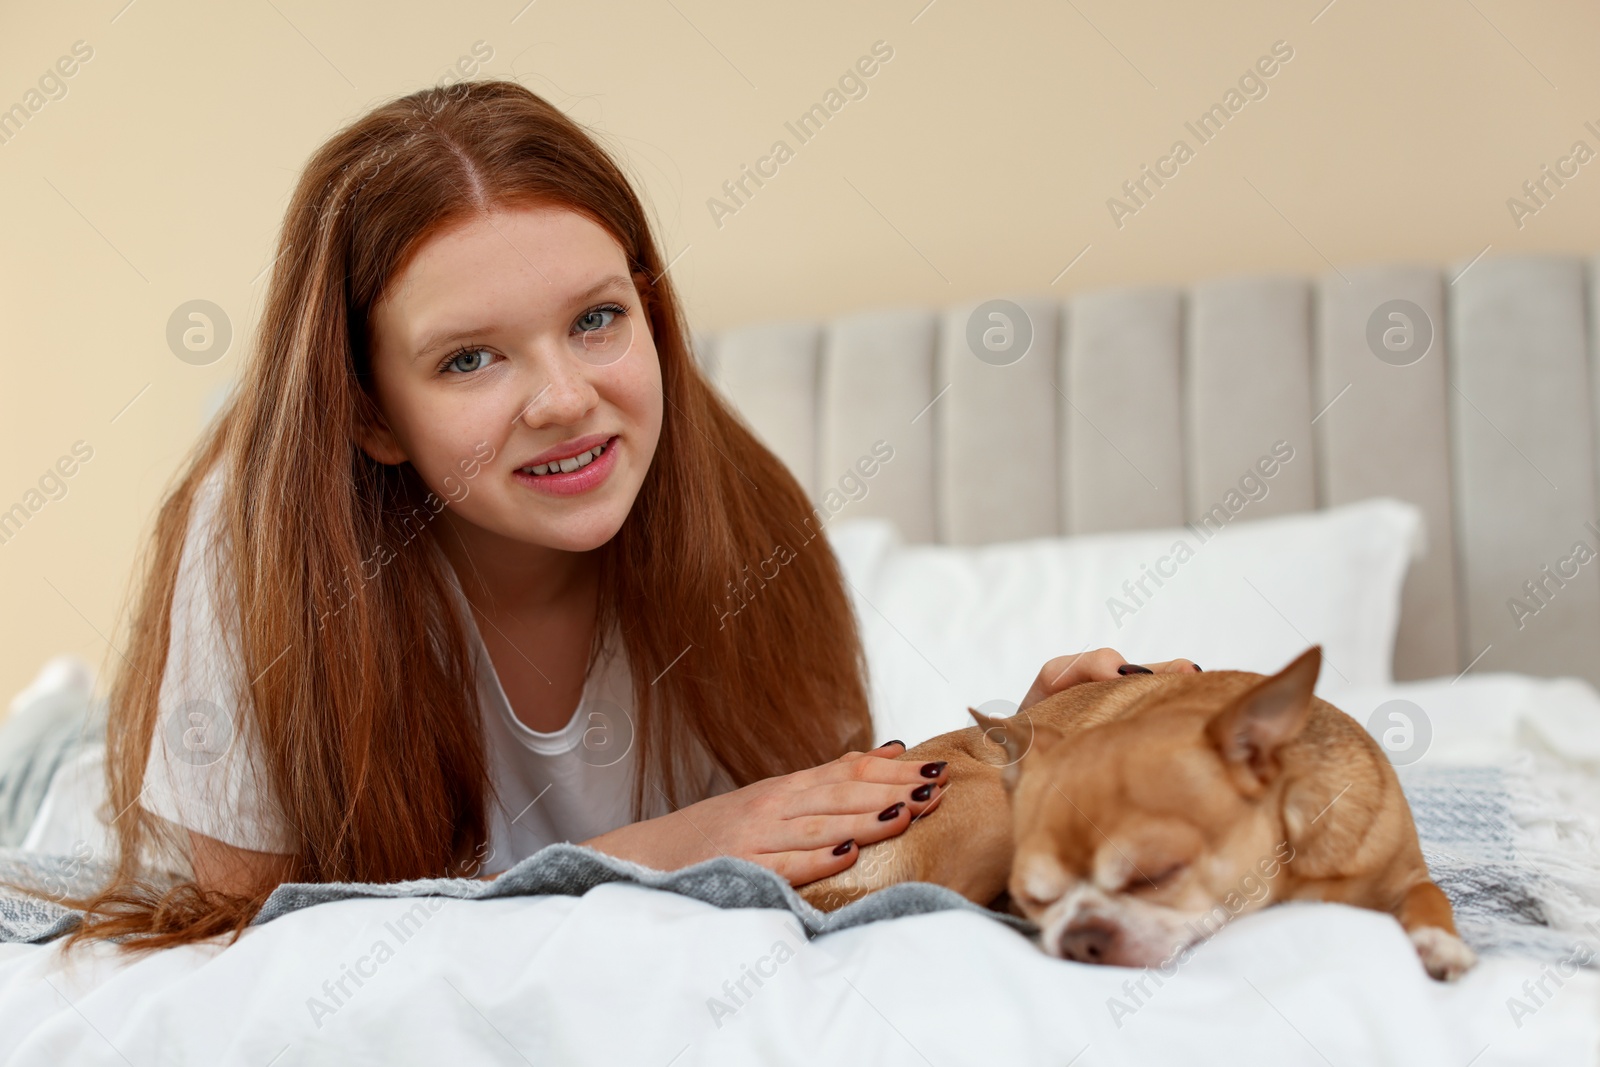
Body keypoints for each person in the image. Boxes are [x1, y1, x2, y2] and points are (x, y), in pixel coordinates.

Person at [67, 80, 1193, 950]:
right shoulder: (257, 540)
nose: (565, 398)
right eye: (469, 357)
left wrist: (1017, 759)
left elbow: (819, 840)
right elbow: (230, 942)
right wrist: (660, 850)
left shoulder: (746, 519)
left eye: (597, 319)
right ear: (371, 415)